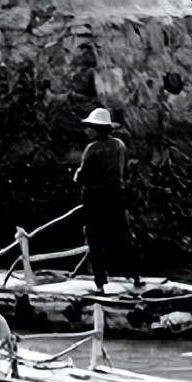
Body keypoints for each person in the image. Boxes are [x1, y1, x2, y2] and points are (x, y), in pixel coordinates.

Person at [73, 107, 142, 293]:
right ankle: (136, 276)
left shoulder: (92, 149)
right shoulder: (120, 146)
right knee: (124, 236)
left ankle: (100, 284)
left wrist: (78, 176)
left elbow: (81, 177)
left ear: (96, 129)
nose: (87, 130)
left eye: (90, 127)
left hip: (94, 200)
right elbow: (125, 173)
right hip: (115, 197)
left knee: (95, 239)